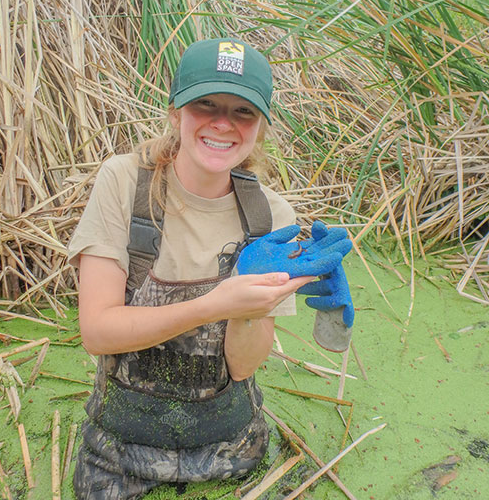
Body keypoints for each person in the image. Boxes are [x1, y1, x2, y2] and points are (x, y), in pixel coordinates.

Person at [67, 38, 352, 499]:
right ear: (176, 111)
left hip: (231, 442)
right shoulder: (123, 182)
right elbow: (96, 332)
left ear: (260, 127)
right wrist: (214, 304)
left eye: (244, 112)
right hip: (121, 446)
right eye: (206, 104)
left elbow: (242, 367)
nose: (223, 123)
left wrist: (248, 309)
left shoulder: (271, 218)